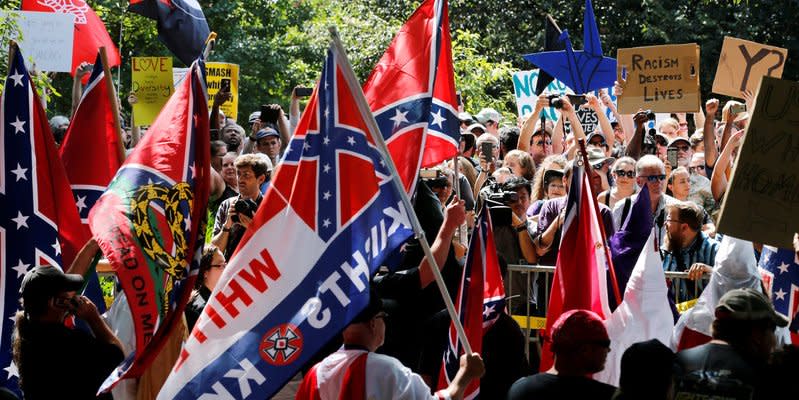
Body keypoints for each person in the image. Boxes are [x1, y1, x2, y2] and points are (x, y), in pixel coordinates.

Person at [296, 292, 485, 400]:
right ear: (373, 323)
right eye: (383, 318)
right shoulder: (388, 370)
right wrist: (465, 374)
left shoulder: (314, 375)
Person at [13, 266, 124, 400]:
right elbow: (118, 355)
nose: (71, 299)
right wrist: (93, 317)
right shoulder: (71, 343)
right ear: (54, 302)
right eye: (66, 297)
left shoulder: (26, 335)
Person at [673, 288, 788, 399]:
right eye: (772, 329)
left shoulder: (678, 363)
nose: (774, 339)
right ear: (757, 333)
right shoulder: (765, 377)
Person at [507, 309, 617, 399]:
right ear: (585, 349)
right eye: (605, 343)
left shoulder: (520, 389)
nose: (608, 350)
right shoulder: (610, 396)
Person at [211, 154, 269, 259]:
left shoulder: (269, 207)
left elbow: (275, 249)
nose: (240, 179)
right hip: (230, 270)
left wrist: (253, 229)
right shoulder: (227, 206)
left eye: (246, 175)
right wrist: (227, 226)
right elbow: (214, 252)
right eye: (239, 174)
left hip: (258, 271)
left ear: (261, 179)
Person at [661, 201, 720, 302]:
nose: (665, 224)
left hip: (701, 317)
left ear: (684, 227)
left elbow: (733, 280)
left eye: (669, 219)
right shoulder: (664, 251)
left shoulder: (715, 250)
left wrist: (710, 270)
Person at [185, 245, 227, 331]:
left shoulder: (221, 299)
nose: (225, 269)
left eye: (225, 264)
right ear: (205, 272)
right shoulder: (195, 310)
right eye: (220, 265)